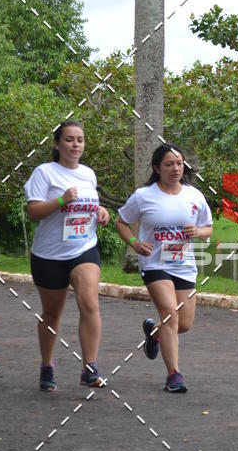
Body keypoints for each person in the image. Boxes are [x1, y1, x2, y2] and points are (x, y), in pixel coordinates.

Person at [115, 143, 213, 393]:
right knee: (170, 313)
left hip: (184, 265)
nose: (175, 168)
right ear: (157, 168)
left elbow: (208, 228)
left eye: (179, 163)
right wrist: (135, 244)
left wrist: (198, 231)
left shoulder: (194, 196)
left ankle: (154, 333)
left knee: (184, 323)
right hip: (155, 264)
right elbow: (121, 222)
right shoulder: (144, 196)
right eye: (169, 164)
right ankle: (174, 375)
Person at [24, 121, 110, 391]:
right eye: (70, 140)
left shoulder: (88, 174)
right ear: (57, 144)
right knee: (52, 314)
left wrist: (101, 212)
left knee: (90, 303)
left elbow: (89, 206)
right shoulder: (44, 173)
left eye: (80, 140)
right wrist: (61, 200)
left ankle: (90, 368)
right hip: (49, 255)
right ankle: (47, 365)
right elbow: (34, 212)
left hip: (83, 249)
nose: (75, 145)